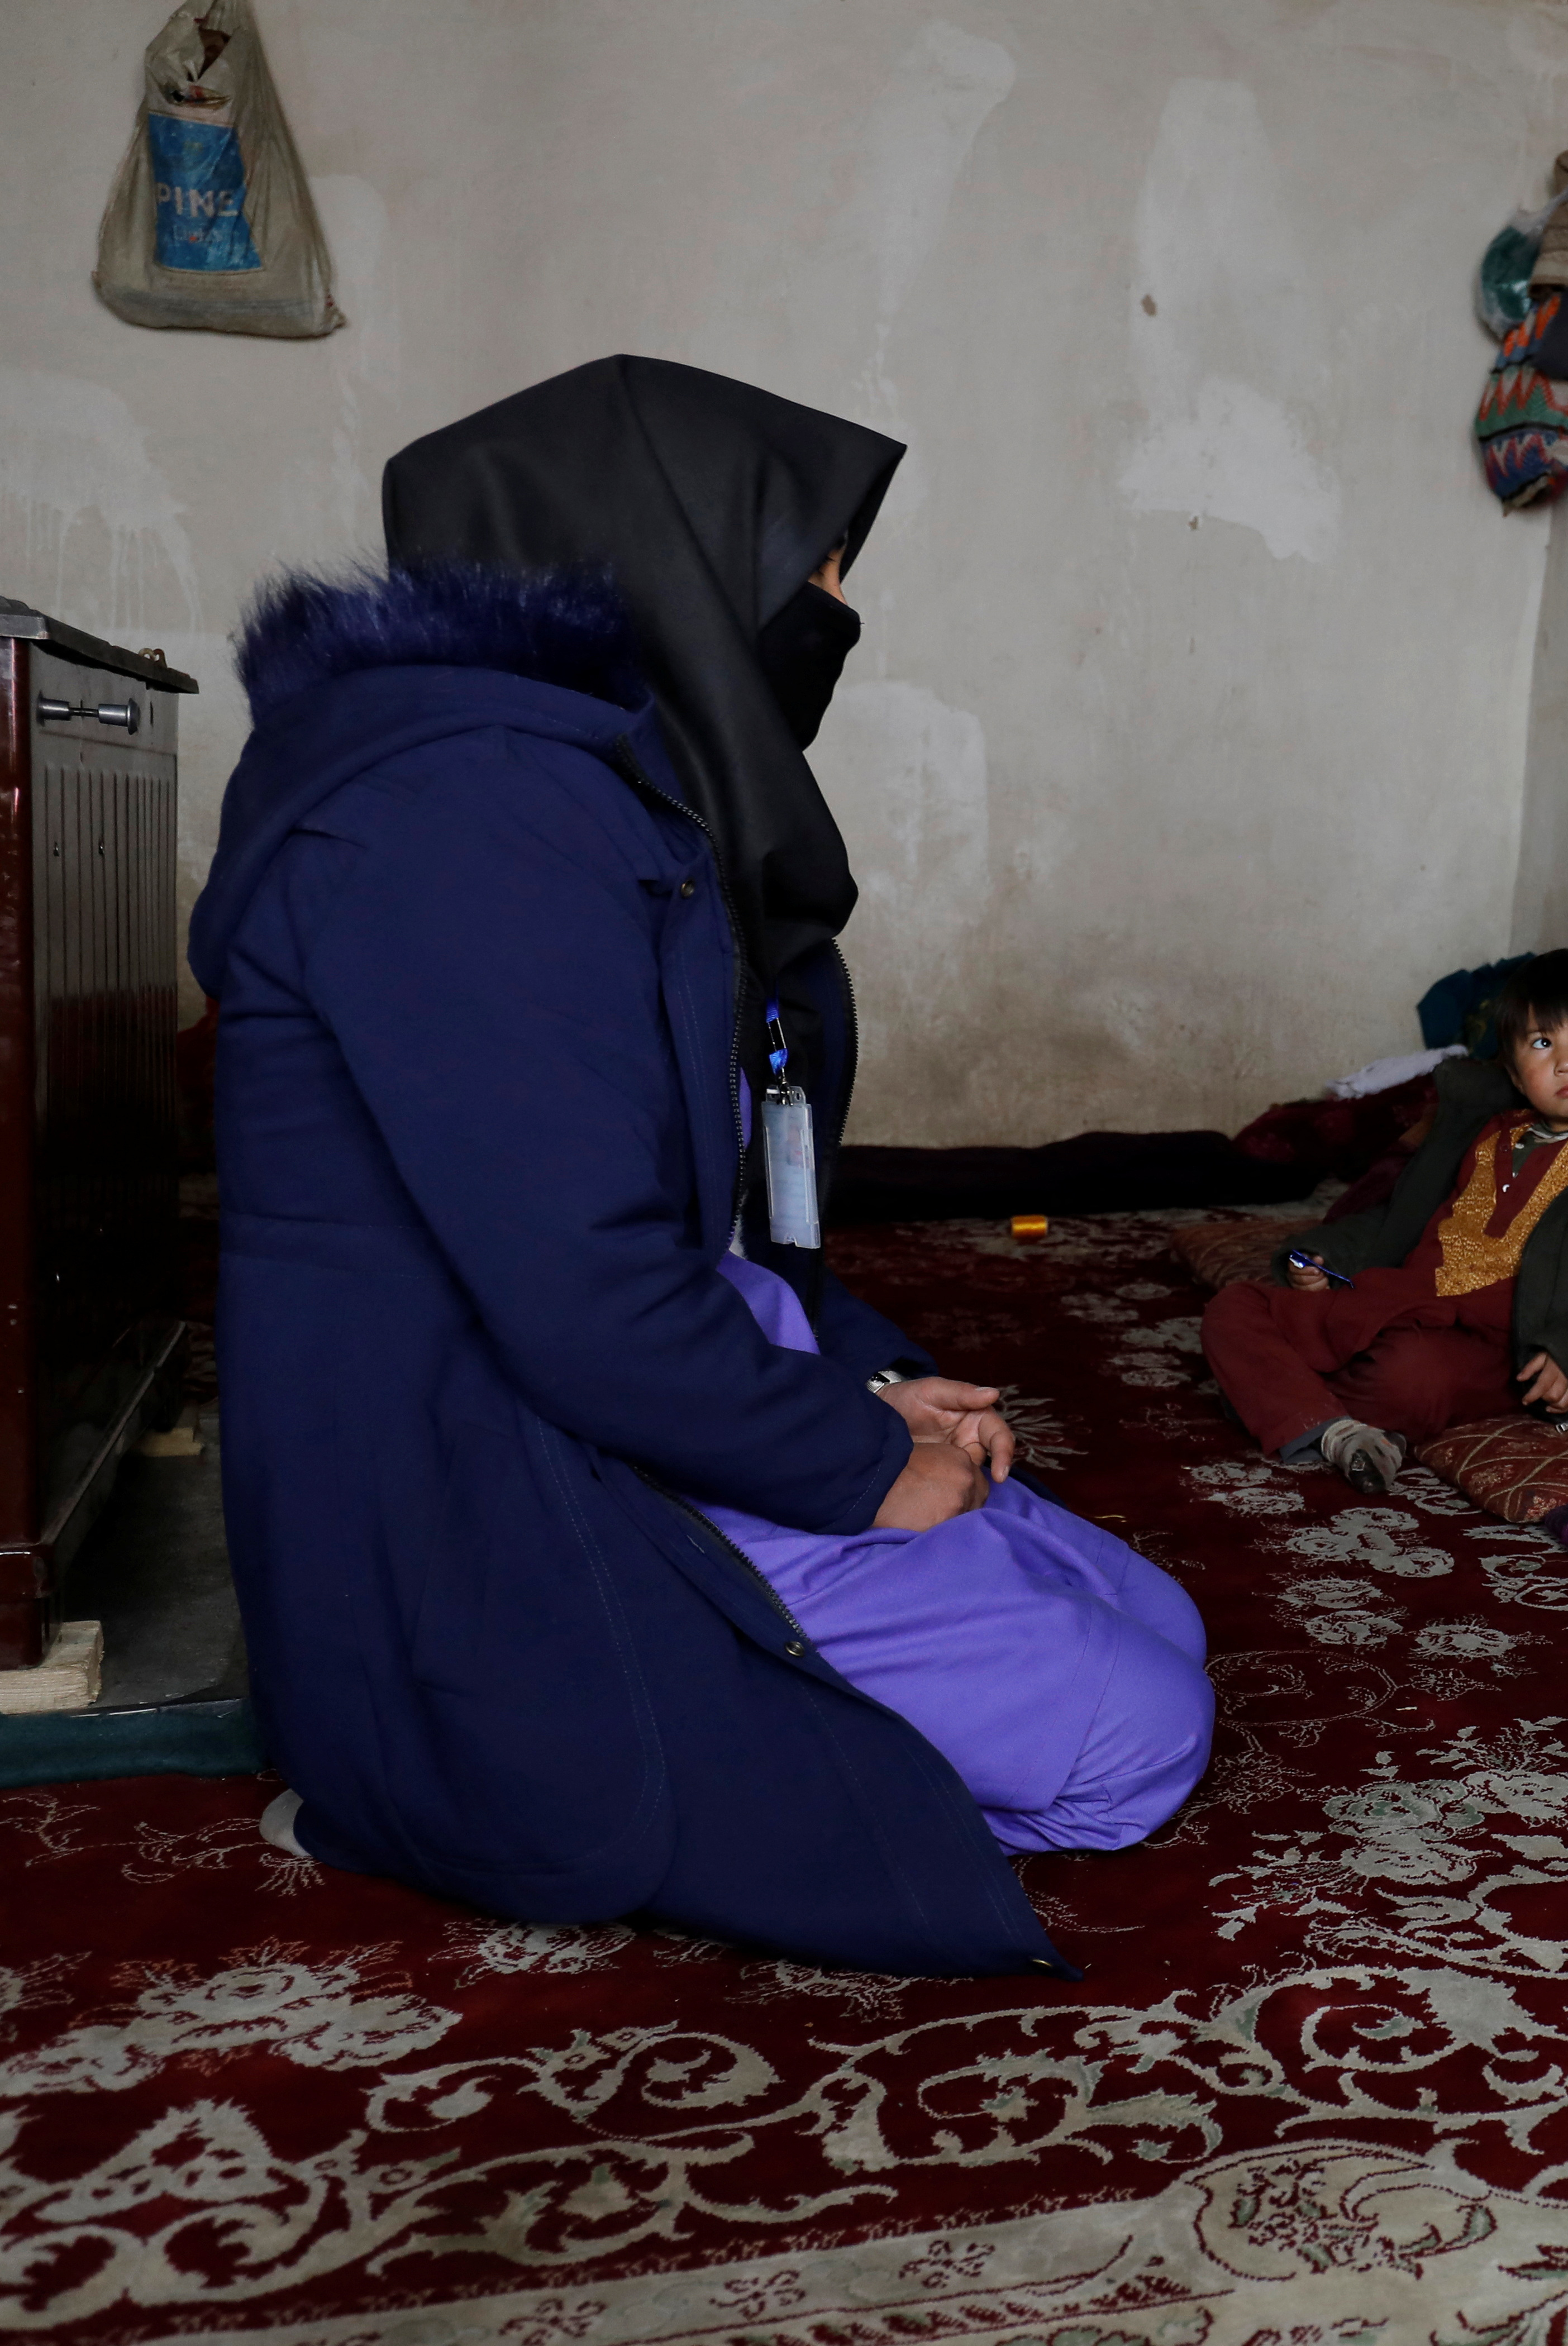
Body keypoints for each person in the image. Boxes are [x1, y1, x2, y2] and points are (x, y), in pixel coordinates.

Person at [192, 356, 1213, 1981]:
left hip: (632, 1411)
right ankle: (517, 1782)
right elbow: (583, 1295)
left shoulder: (589, 797)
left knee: (1167, 1625)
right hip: (524, 1493)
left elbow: (715, 1232)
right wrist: (854, 1463)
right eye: (805, 570)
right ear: (659, 549)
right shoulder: (469, 817)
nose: (827, 612)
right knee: (1134, 1736)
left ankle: (820, 1668)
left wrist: (873, 1389)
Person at [1202, 950, 1568, 1491]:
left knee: (1409, 1379)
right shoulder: (1480, 1132)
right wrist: (1328, 1257)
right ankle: (1334, 1429)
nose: (1566, 1061)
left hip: (1495, 1341)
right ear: (1512, 1070)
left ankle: (1280, 1399)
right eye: (1541, 1043)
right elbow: (1398, 1218)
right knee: (1234, 1308)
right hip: (1394, 1299)